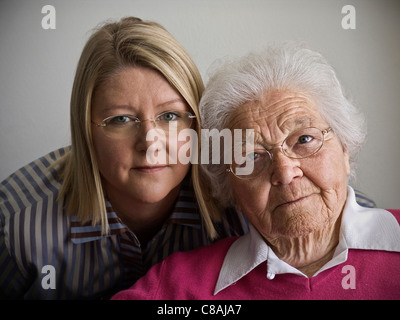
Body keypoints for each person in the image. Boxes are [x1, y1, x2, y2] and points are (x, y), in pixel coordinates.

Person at [112, 43, 400, 300]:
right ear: (229, 187)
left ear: (345, 149)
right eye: (252, 156)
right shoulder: (179, 286)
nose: (285, 173)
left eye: (304, 139)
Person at [0, 16, 247, 300]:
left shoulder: (238, 208)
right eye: (121, 119)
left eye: (169, 116)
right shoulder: (16, 224)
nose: (150, 143)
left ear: (196, 126)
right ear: (86, 132)